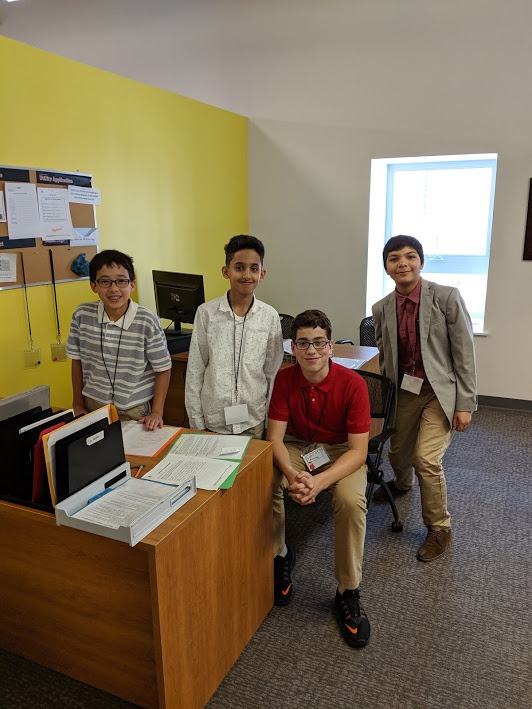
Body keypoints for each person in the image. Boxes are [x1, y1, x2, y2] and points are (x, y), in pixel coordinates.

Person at [267, 309, 371, 649]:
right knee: (266, 482)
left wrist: (320, 482)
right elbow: (275, 439)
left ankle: (347, 589)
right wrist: (294, 474)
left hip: (340, 451)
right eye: (303, 344)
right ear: (292, 348)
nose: (311, 351)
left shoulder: (354, 384)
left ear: (330, 346)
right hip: (299, 447)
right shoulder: (284, 379)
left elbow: (358, 451)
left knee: (351, 501)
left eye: (319, 343)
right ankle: (280, 554)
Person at [372, 235, 477, 562]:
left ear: (420, 261)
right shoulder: (381, 308)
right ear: (387, 267)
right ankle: (401, 484)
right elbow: (384, 353)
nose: (402, 263)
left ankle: (439, 528)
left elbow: (464, 352)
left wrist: (465, 404)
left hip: (440, 391)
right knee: (398, 452)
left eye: (410, 256)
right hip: (405, 389)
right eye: (394, 258)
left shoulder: (446, 298)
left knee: (426, 459)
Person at [185, 234, 283, 439]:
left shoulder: (270, 316)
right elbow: (195, 369)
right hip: (213, 421)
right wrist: (196, 421)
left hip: (253, 421)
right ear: (225, 271)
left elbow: (271, 373)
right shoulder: (206, 313)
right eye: (239, 267)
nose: (247, 274)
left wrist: (268, 421)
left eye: (254, 268)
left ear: (262, 274)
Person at [67, 249, 172, 430]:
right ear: (93, 285)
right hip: (93, 407)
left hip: (134, 410)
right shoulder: (82, 315)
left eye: (121, 281)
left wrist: (157, 412)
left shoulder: (146, 320)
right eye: (105, 281)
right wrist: (77, 404)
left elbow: (163, 368)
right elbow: (77, 362)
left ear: (132, 284)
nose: (114, 289)